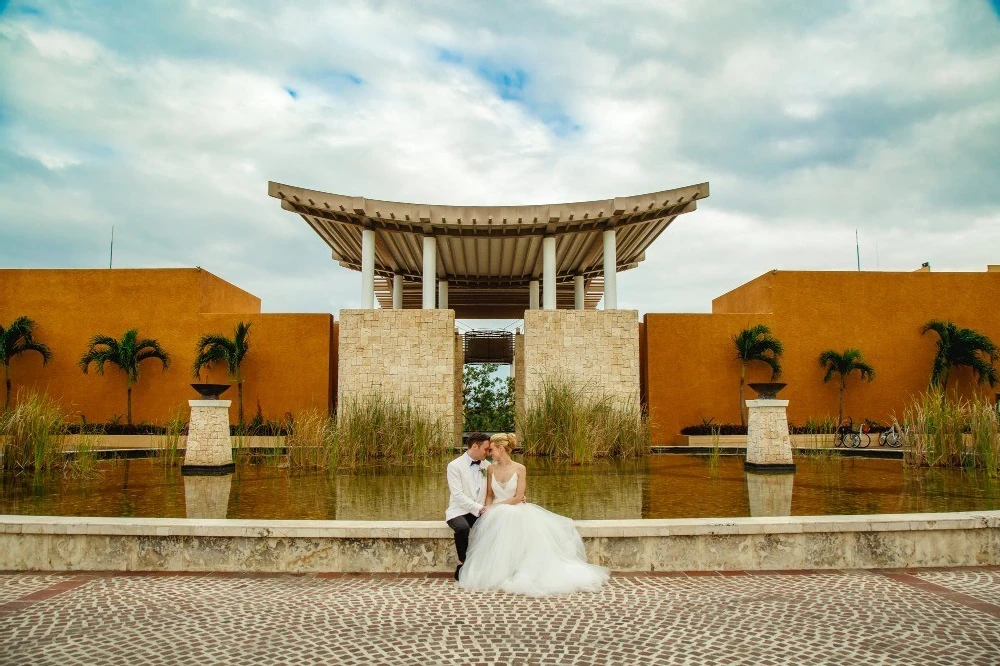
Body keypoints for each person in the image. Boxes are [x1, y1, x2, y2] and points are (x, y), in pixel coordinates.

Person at [457, 432, 609, 597]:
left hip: (514, 509)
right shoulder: (490, 468)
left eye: (491, 450)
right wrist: (487, 511)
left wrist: (495, 507)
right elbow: (489, 495)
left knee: (511, 518)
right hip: (495, 511)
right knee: (499, 521)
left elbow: (518, 497)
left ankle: (517, 570)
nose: (489, 453)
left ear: (501, 449)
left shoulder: (520, 468)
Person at [445, 432, 492, 581]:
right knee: (462, 528)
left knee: (496, 524)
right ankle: (463, 563)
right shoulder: (454, 466)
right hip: (458, 510)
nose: (488, 452)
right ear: (474, 446)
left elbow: (495, 489)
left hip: (480, 510)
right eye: (486, 449)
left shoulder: (487, 465)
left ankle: (489, 566)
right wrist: (479, 508)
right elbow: (457, 495)